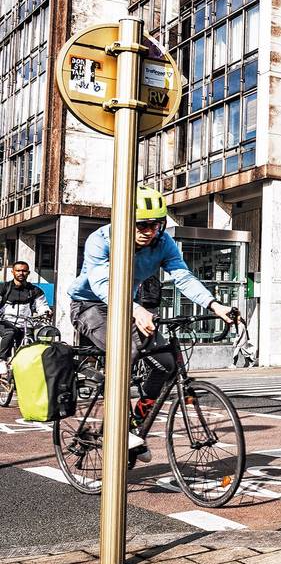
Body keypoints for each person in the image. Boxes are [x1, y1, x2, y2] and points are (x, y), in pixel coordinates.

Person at [67, 187, 234, 461]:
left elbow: (183, 276)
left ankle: (133, 423)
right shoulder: (101, 240)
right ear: (125, 220)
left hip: (129, 307)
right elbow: (102, 284)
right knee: (125, 353)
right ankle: (115, 429)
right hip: (90, 305)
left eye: (155, 224)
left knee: (167, 364)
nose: (149, 231)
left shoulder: (163, 242)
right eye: (142, 224)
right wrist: (136, 310)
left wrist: (214, 305)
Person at [0, 261, 51, 367]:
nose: (21, 273)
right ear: (12, 272)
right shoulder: (4, 288)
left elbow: (42, 305)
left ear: (28, 273)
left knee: (30, 345)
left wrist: (46, 311)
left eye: (24, 271)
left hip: (25, 325)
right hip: (5, 323)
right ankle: (1, 361)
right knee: (10, 333)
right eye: (18, 270)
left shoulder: (35, 291)